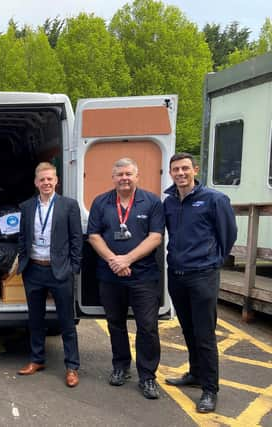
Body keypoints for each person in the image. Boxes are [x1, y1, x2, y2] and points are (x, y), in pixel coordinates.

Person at [163, 153, 237, 413]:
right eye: (176, 169)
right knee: (188, 330)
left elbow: (228, 235)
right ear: (170, 172)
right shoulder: (170, 201)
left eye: (185, 168)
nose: (180, 173)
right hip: (177, 275)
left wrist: (212, 261)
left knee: (205, 335)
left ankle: (210, 389)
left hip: (203, 275)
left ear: (195, 169)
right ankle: (195, 373)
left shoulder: (214, 199)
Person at [87, 158, 164, 399]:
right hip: (110, 276)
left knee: (148, 327)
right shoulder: (101, 202)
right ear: (113, 178)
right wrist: (114, 261)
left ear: (137, 176)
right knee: (115, 324)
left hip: (143, 276)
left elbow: (155, 237)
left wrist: (127, 259)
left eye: (128, 173)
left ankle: (148, 376)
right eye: (119, 174)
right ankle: (120, 366)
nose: (124, 178)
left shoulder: (151, 202)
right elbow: (94, 236)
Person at [16, 162, 82, 387]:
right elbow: (22, 237)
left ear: (56, 181)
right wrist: (23, 261)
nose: (46, 183)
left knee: (66, 321)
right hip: (34, 269)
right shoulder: (26, 207)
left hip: (60, 271)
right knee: (35, 319)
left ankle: (72, 366)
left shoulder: (69, 206)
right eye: (42, 179)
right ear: (36, 182)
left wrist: (74, 268)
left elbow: (76, 239)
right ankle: (37, 360)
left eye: (50, 179)